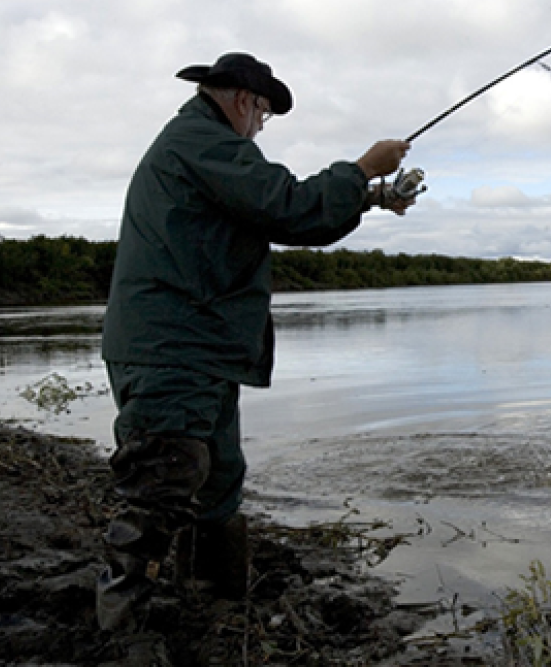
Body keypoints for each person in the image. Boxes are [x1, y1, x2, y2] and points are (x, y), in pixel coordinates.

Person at [96, 52, 415, 632]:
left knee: (217, 480)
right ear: (244, 100)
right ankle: (121, 633)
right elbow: (287, 206)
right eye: (264, 113)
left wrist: (368, 198)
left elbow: (273, 213)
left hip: (200, 348)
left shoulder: (204, 148)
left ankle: (215, 609)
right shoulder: (200, 141)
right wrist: (363, 168)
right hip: (171, 347)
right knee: (161, 483)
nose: (261, 125)